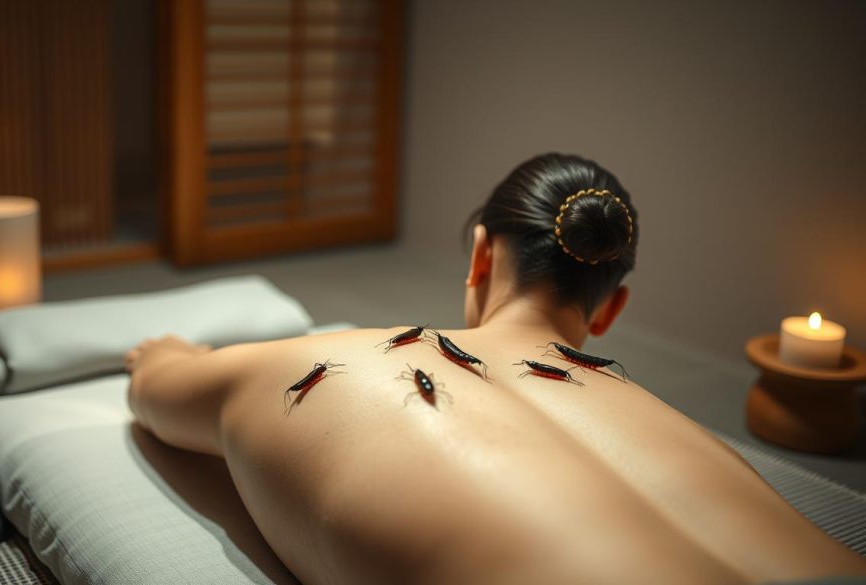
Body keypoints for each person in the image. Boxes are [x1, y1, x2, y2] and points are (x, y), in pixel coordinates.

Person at [126, 153, 866, 584]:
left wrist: (168, 355)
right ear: (610, 308)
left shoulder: (317, 359)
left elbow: (153, 392)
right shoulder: (670, 420)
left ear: (481, 253)